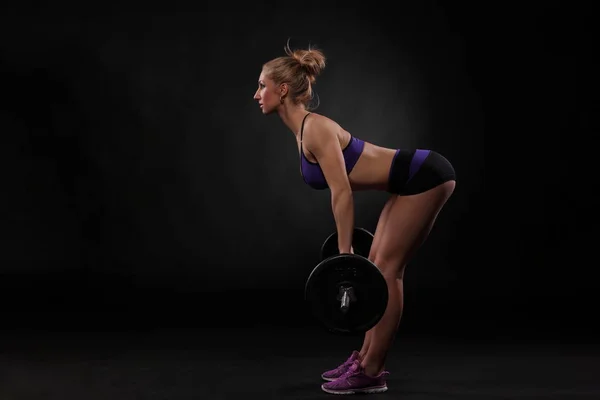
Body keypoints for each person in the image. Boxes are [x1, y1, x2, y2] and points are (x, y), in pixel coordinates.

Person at [253, 42, 457, 395]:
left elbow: (342, 191)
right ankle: (363, 359)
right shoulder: (303, 131)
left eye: (261, 86)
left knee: (388, 271)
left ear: (282, 90)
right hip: (406, 182)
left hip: (424, 175)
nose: (257, 94)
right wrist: (349, 257)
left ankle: (373, 371)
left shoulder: (314, 128)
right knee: (377, 268)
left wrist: (345, 254)